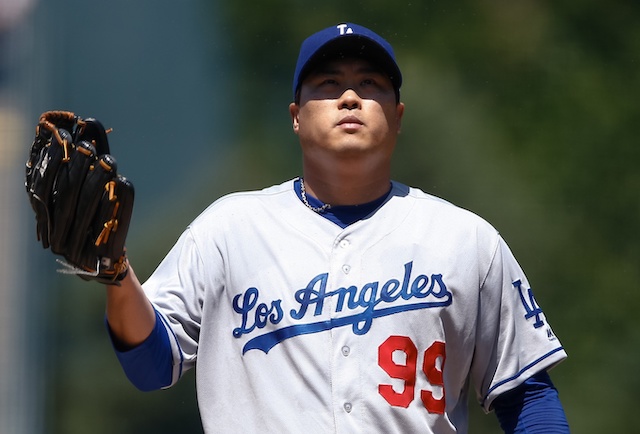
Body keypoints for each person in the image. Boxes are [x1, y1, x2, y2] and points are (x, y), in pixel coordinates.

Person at [105, 22, 569, 433]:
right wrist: (114, 270)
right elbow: (150, 366)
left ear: (398, 116)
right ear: (295, 116)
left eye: (370, 84)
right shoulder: (229, 230)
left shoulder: (466, 240)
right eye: (329, 84)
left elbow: (528, 396)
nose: (350, 97)